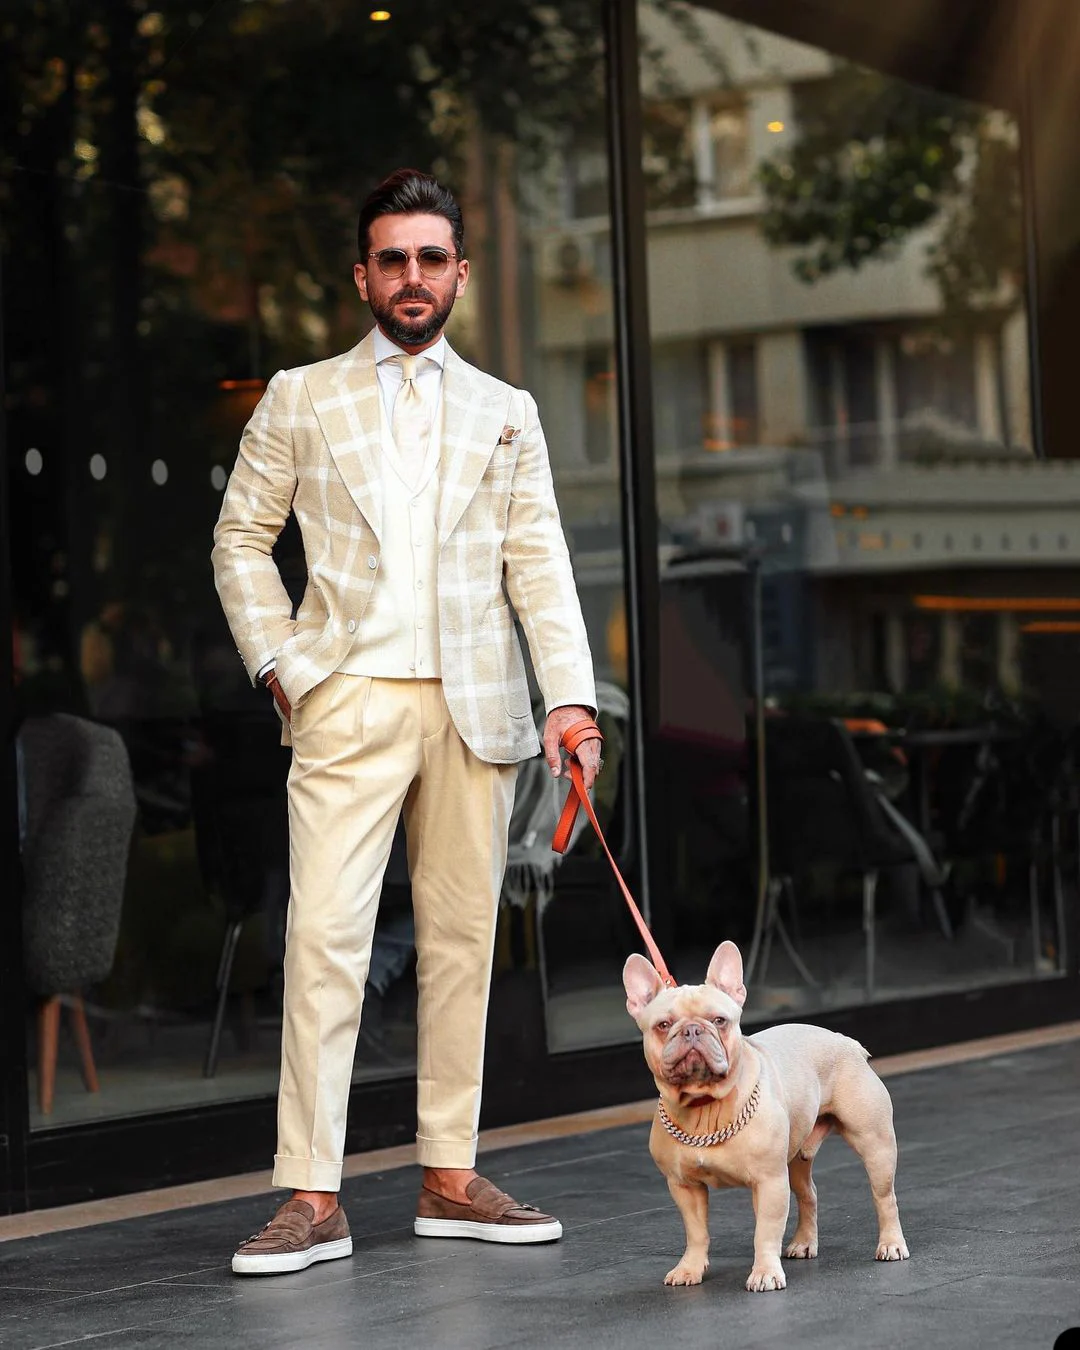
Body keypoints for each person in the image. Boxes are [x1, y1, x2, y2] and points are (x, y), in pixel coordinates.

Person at [212, 168, 601, 1275]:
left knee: (461, 948)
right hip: (347, 700)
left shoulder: (507, 412)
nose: (413, 276)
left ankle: (448, 1173)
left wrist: (568, 699)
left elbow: (541, 569)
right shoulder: (300, 394)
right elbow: (241, 539)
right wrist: (283, 667)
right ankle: (312, 1195)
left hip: (476, 710)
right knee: (325, 942)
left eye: (432, 258)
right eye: (393, 257)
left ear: (461, 274)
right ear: (363, 274)